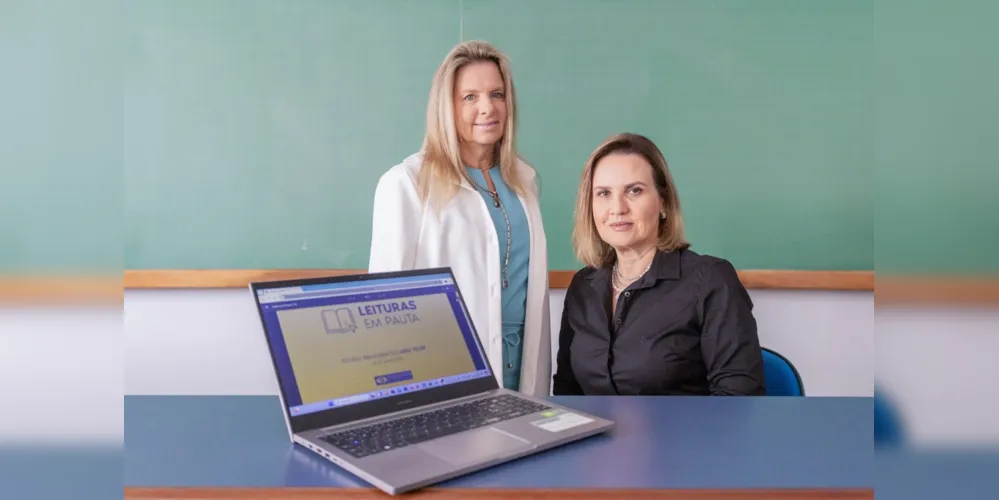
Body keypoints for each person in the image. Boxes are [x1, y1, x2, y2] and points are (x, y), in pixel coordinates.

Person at [367, 40, 551, 397]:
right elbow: (383, 310)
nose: (488, 108)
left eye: (497, 94)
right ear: (446, 107)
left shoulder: (524, 182)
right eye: (470, 97)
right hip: (445, 383)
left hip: (522, 375)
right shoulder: (406, 184)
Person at [552, 132, 766, 396]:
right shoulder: (583, 286)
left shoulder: (710, 280)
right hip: (598, 438)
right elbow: (567, 393)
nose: (617, 208)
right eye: (604, 193)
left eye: (634, 191)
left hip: (685, 437)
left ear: (662, 201)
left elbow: (739, 401)